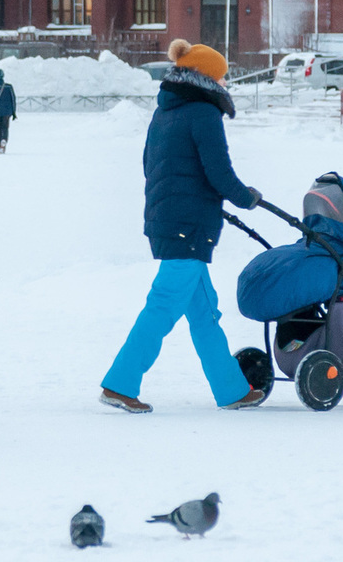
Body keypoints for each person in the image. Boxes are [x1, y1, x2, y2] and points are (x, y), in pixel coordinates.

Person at [100, 39, 264, 413]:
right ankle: (120, 383)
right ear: (207, 78)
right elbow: (219, 172)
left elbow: (152, 167)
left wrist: (195, 199)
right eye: (222, 78)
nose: (225, 84)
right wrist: (246, 197)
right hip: (187, 227)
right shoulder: (204, 114)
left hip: (169, 220)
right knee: (162, 306)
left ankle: (231, 390)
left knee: (205, 313)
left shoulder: (165, 112)